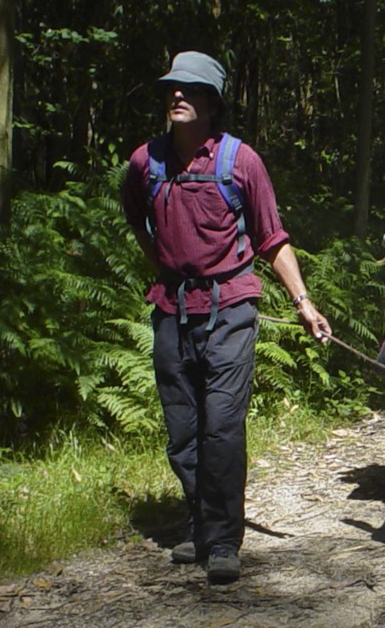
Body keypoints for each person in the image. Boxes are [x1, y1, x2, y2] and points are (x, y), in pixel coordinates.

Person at [122, 51, 331, 585]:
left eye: (189, 91)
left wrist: (304, 303)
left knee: (221, 427)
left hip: (230, 308)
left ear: (212, 103)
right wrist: (164, 266)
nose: (177, 97)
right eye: (171, 88)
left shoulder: (241, 162)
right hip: (170, 308)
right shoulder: (146, 162)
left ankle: (221, 539)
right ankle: (198, 522)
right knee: (182, 430)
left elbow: (272, 239)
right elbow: (137, 221)